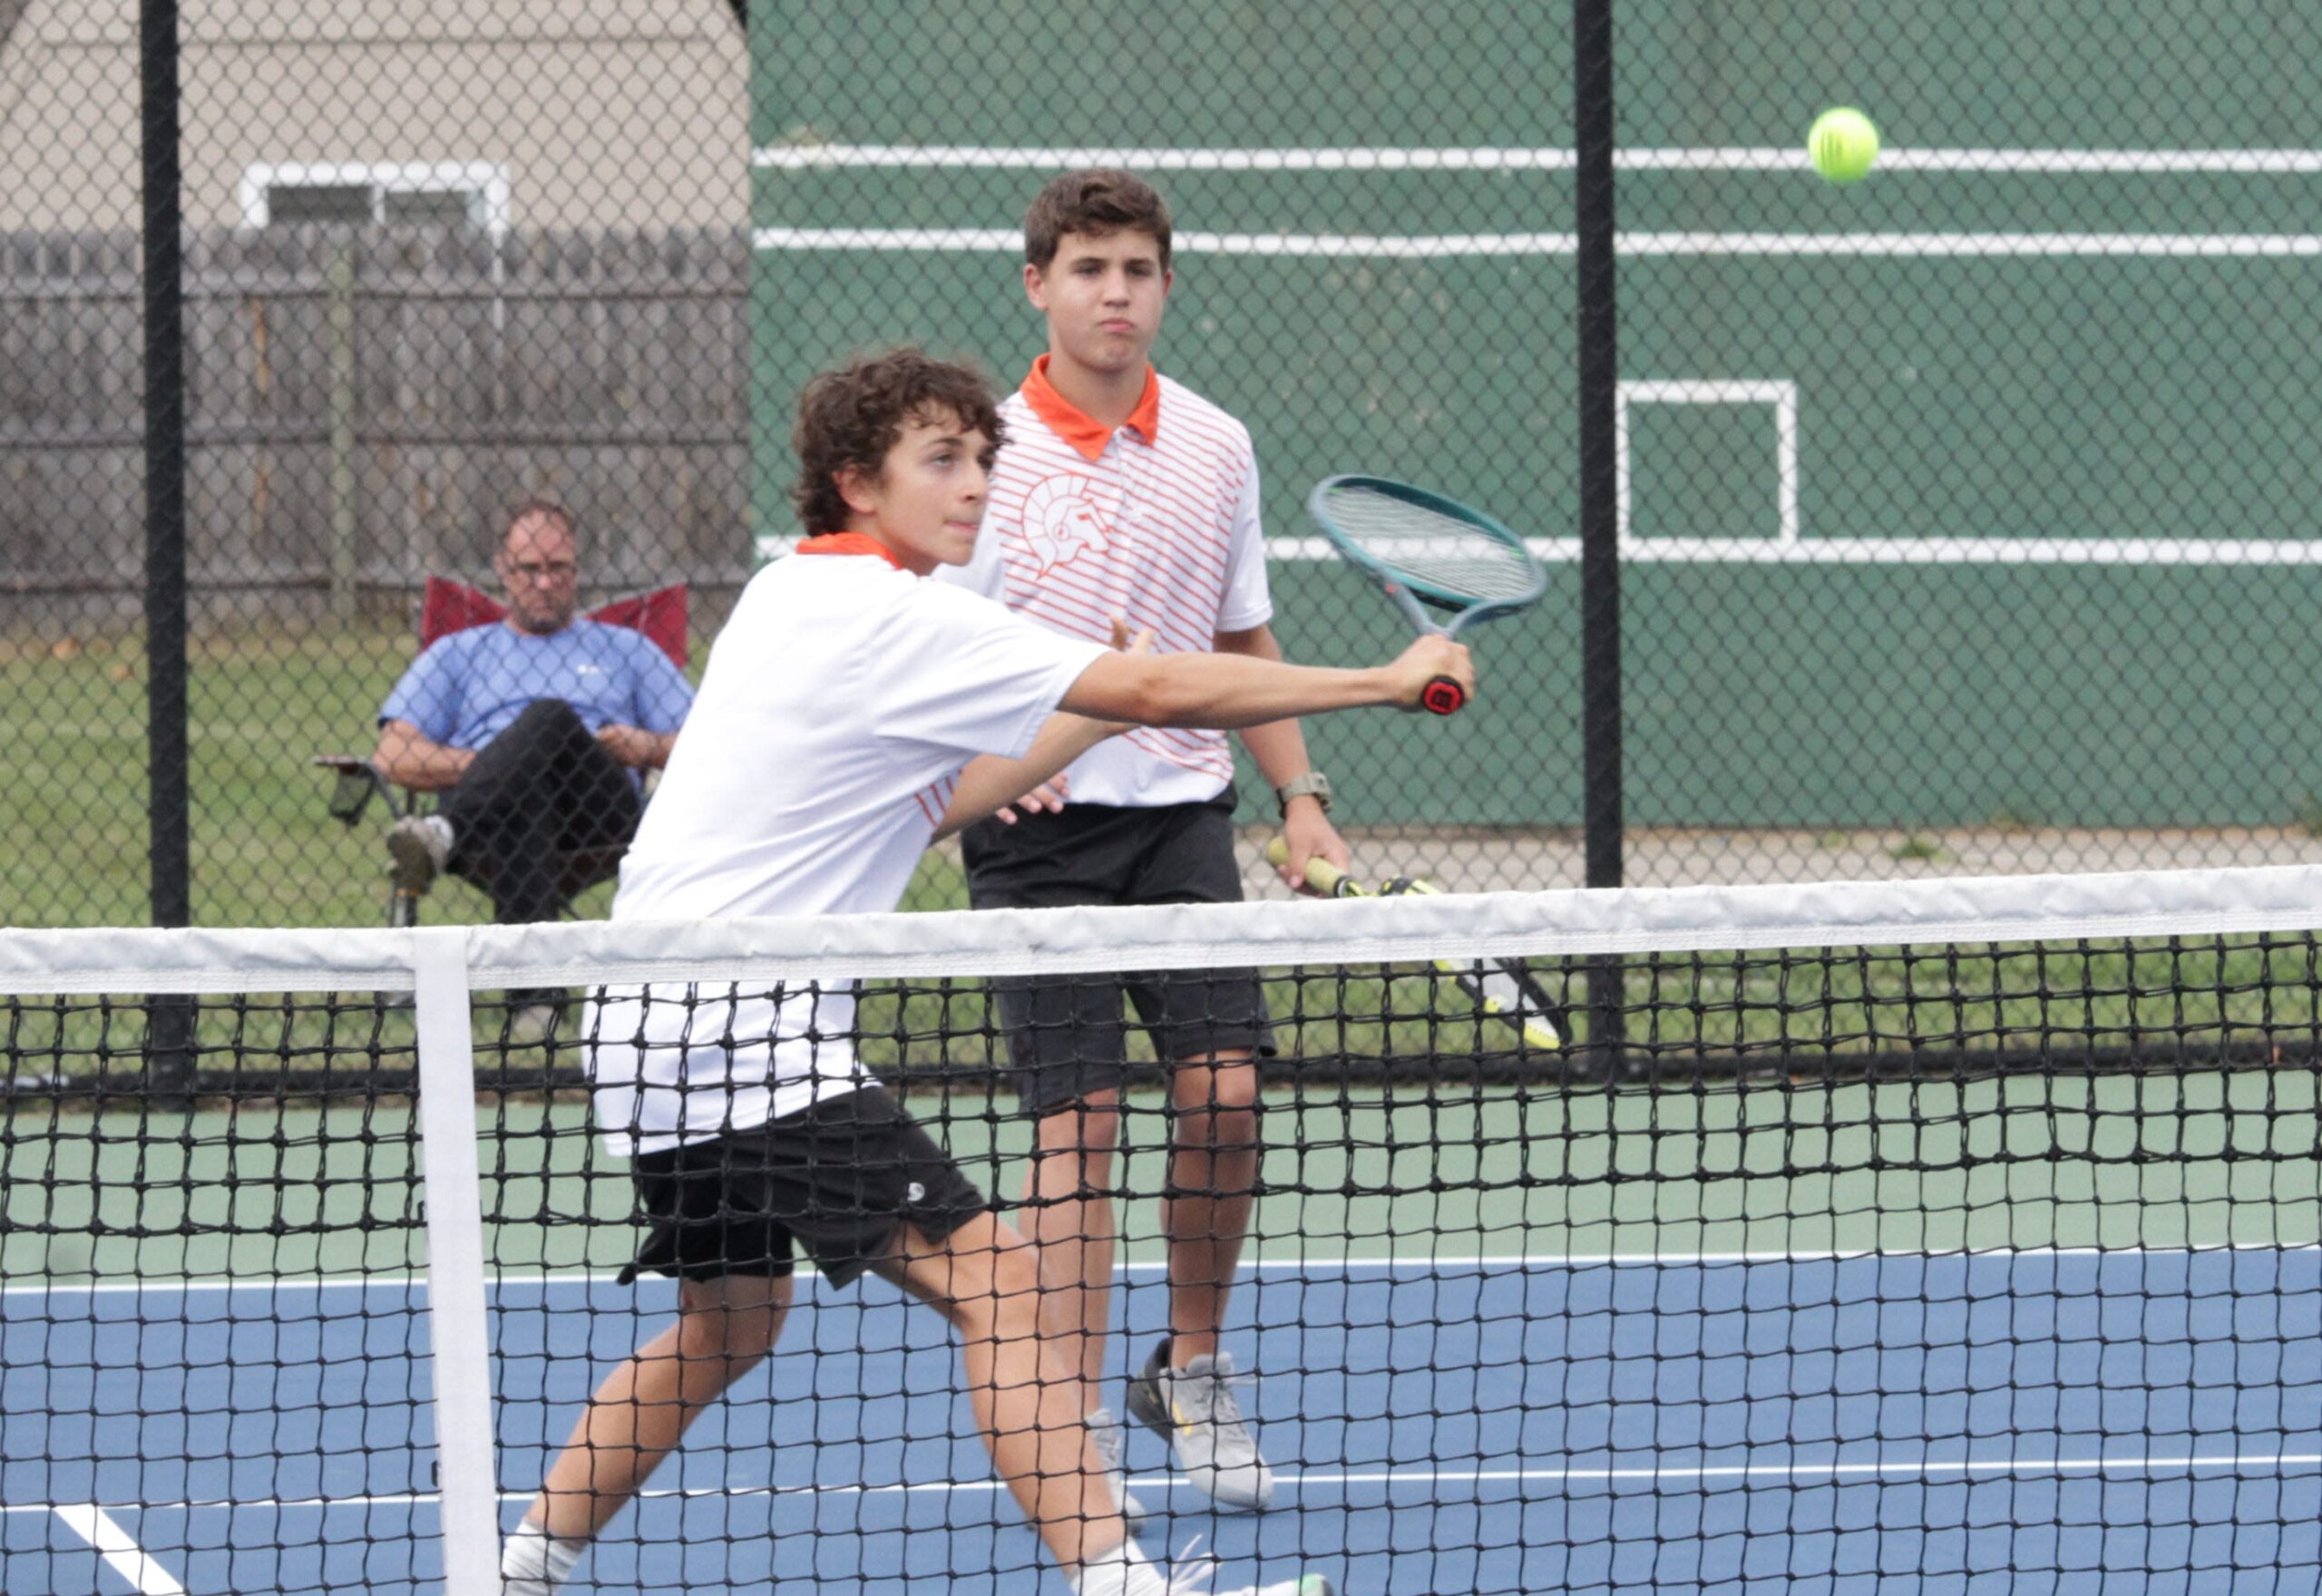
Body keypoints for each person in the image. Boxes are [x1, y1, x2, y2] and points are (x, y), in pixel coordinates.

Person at [499, 348, 1470, 1596]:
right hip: (743, 1032)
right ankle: (1120, 1581)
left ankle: (520, 1566)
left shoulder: (789, 594)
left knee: (730, 1322)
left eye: (983, 460)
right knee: (1003, 1284)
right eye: (941, 462)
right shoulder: (890, 615)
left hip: (644, 1029)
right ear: (855, 481)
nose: (974, 488)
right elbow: (1168, 676)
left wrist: (1092, 721)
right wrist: (1385, 682)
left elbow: (944, 797)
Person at [934, 169, 1339, 1517]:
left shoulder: (1217, 444)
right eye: (1089, 267)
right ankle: (1071, 1426)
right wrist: (991, 773)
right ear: (1036, 284)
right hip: (1032, 836)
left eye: (1139, 270)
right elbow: (930, 658)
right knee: (1081, 1129)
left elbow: (1237, 641)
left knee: (1224, 1096)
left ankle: (1193, 1371)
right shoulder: (977, 457)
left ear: (1167, 286)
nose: (1116, 293)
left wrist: (1300, 798)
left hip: (1181, 815)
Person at [372, 499, 692, 1029]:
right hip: (500, 816)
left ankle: (441, 835)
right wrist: (503, 764)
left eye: (558, 568)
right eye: (530, 570)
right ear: (503, 570)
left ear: (577, 569)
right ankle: (534, 1006)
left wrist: (647, 747)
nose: (545, 583)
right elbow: (392, 754)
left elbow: (706, 741)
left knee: (549, 718)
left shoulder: (626, 649)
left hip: (600, 810)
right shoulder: (459, 653)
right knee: (526, 787)